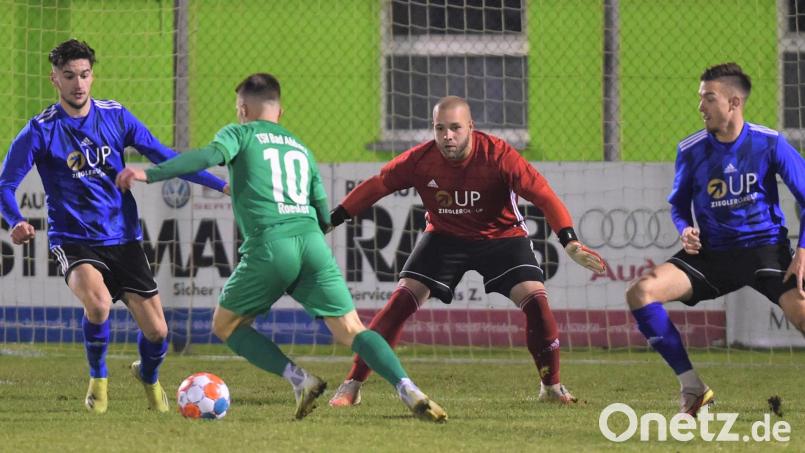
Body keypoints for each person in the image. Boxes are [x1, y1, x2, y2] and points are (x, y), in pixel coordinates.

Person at [115, 72, 448, 422]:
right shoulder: (301, 149)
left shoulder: (239, 133)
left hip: (271, 246)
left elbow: (205, 156)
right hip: (312, 244)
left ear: (242, 108)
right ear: (280, 111)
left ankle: (300, 380)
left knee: (226, 325)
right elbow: (323, 213)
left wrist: (149, 174)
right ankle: (407, 387)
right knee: (353, 330)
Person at [325, 95, 607, 408]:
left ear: (471, 127)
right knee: (398, 304)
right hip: (445, 238)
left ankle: (551, 387)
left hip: (502, 236)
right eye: (440, 128)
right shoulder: (420, 160)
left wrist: (569, 241)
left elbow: (543, 195)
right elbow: (377, 185)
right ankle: (352, 384)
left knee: (538, 304)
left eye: (456, 128)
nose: (448, 136)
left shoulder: (499, 155)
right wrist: (333, 219)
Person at [0, 39, 229, 414]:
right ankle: (99, 380)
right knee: (99, 303)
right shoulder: (40, 130)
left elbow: (165, 156)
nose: (79, 83)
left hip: (123, 238)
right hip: (72, 240)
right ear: (54, 79)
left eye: (85, 75)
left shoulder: (115, 116)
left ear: (92, 76)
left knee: (158, 333)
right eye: (69, 75)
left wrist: (220, 184)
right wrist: (17, 220)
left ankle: (149, 376)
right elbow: (5, 185)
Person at [626, 62, 805, 416]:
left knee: (802, 314)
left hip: (765, 252)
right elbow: (678, 205)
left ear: (734, 103)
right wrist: (685, 229)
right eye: (700, 98)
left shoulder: (769, 143)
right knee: (640, 292)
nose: (701, 107)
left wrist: (803, 251)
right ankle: (694, 390)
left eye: (709, 98)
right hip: (712, 255)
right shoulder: (690, 149)